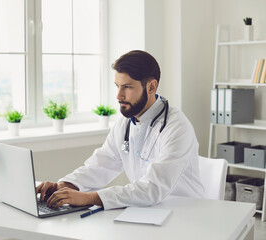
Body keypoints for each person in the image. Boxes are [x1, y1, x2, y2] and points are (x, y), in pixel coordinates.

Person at [36, 50, 204, 210]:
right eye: (117, 86)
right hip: (146, 210)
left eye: (127, 87)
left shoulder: (176, 127)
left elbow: (153, 188)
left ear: (151, 87)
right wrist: (63, 186)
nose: (118, 95)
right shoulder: (125, 124)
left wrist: (90, 198)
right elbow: (100, 165)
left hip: (184, 214)